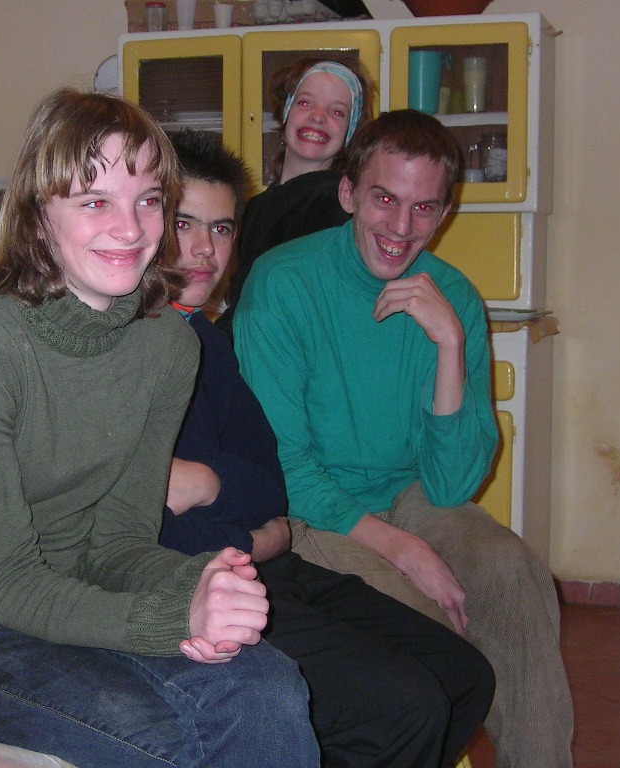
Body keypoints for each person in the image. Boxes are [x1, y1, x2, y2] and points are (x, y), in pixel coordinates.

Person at [0, 88, 321, 768]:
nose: (130, 228)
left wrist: (199, 583)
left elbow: (117, 542)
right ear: (37, 215)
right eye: (94, 202)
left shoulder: (167, 347)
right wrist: (174, 615)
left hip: (73, 598)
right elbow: (9, 583)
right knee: (168, 744)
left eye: (148, 200)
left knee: (270, 690)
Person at [233, 110, 575, 768]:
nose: (400, 227)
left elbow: (451, 485)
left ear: (444, 213)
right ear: (348, 194)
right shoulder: (283, 284)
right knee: (429, 625)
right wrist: (402, 549)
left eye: (423, 208)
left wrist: (449, 344)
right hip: (311, 511)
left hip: (408, 493)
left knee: (512, 573)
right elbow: (283, 466)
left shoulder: (453, 298)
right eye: (384, 199)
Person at [162, 128, 494, 768]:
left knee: (464, 677)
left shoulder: (204, 342)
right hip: (215, 576)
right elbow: (146, 518)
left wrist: (215, 490)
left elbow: (263, 479)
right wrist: (249, 522)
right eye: (184, 223)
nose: (204, 249)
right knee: (408, 703)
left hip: (264, 554)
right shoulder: (142, 341)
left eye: (222, 228)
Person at [216, 57, 371, 337]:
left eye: (337, 112)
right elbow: (243, 302)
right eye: (305, 102)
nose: (318, 116)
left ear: (350, 133)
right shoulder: (257, 206)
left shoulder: (338, 203)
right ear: (286, 111)